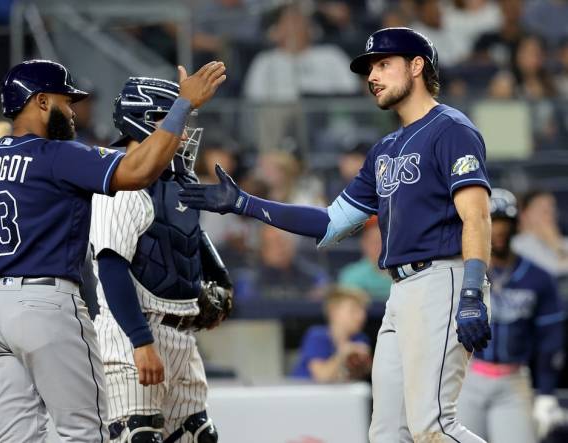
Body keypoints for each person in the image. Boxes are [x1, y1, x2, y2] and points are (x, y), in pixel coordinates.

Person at [179, 27, 492, 442]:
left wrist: (472, 291)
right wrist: (245, 204)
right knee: (387, 434)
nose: (373, 76)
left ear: (417, 66)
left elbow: (477, 216)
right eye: (369, 68)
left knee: (433, 426)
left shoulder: (451, 128)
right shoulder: (385, 149)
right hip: (401, 290)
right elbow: (330, 223)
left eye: (384, 64)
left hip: (443, 279)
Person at [0, 59, 226, 443]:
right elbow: (140, 169)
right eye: (66, 100)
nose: (74, 111)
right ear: (41, 101)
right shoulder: (57, 154)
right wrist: (182, 106)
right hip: (46, 304)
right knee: (86, 434)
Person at [90, 77, 233, 442]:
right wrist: (141, 342)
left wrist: (222, 281)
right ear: (144, 121)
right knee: (138, 436)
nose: (184, 135)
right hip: (131, 332)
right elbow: (111, 265)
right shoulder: (119, 179)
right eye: (175, 122)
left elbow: (190, 236)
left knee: (197, 435)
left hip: (180, 332)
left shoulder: (175, 179)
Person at [458, 188, 566, 443]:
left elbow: (550, 339)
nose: (498, 231)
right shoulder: (459, 274)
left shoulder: (537, 276)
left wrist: (547, 392)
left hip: (513, 378)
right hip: (466, 375)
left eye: (504, 223)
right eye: (493, 222)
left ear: (516, 226)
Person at [292, 286, 371, 382]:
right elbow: (321, 377)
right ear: (334, 311)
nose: (361, 316)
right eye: (353, 310)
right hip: (305, 393)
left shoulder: (360, 338)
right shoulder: (317, 336)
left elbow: (357, 378)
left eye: (363, 311)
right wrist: (343, 353)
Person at [512, 189, 568, 277]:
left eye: (552, 208)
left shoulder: (564, 242)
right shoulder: (517, 245)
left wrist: (557, 245)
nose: (550, 214)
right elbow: (549, 273)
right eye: (542, 209)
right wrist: (554, 244)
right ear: (524, 215)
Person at [337, 216, 392, 302]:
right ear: (363, 243)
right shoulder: (351, 275)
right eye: (373, 242)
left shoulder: (407, 271)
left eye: (382, 241)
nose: (378, 246)